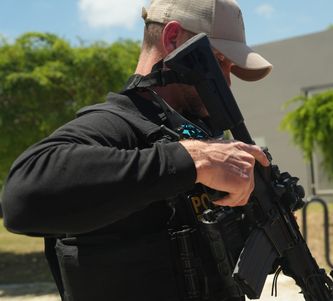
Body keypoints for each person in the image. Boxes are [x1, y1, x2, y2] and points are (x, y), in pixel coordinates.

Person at [2, 0, 272, 300]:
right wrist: (192, 159)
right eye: (220, 60)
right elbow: (22, 196)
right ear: (172, 40)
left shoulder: (200, 135)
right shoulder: (113, 126)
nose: (228, 81)